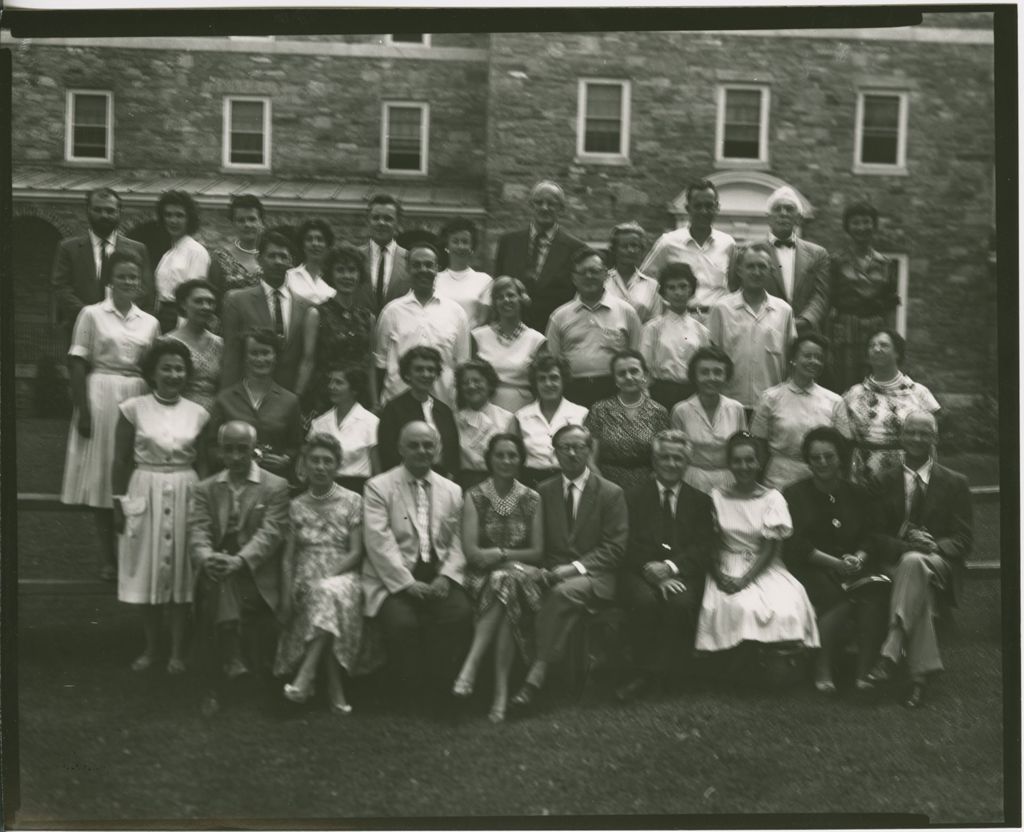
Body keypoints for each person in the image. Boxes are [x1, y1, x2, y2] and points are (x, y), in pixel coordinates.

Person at [508, 425, 628, 717]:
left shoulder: (611, 493)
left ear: (589, 451)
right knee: (515, 587)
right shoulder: (543, 491)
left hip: (595, 576)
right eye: (565, 447)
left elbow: (614, 549)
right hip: (551, 572)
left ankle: (535, 676)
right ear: (555, 452)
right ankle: (507, 676)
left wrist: (570, 570)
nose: (572, 453)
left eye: (579, 447)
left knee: (563, 593)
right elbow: (535, 541)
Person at [111, 338, 209, 673]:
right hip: (145, 488)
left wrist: (204, 509)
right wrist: (119, 505)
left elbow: (205, 466)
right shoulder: (132, 408)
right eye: (166, 368)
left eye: (179, 368)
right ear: (152, 372)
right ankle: (152, 649)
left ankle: (177, 653)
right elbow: (120, 460)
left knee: (181, 572)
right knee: (150, 571)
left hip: (186, 489)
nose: (173, 374)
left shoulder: (199, 414)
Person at [861, 412, 972, 709]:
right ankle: (918, 680)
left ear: (934, 438)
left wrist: (936, 544)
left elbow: (964, 539)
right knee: (912, 566)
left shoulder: (955, 482)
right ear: (901, 436)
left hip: (938, 561)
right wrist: (906, 544)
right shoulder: (882, 481)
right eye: (911, 432)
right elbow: (873, 535)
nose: (917, 439)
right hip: (898, 560)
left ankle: (889, 651)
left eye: (925, 433)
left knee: (915, 564)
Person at [60, 251, 160, 580]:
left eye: (134, 277)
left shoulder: (150, 322)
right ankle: (108, 559)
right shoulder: (91, 314)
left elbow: (154, 367)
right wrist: (82, 410)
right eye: (122, 276)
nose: (129, 282)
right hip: (101, 395)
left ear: (141, 283)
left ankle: (131, 555)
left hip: (138, 395)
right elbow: (77, 362)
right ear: (110, 280)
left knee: (134, 476)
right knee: (104, 479)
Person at [361, 422, 473, 705]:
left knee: (457, 614)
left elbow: (459, 542)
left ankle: (441, 690)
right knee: (402, 623)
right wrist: (407, 584)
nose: (422, 451)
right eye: (414, 445)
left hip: (438, 573)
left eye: (428, 445)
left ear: (437, 449)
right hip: (395, 575)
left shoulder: (452, 490)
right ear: (400, 449)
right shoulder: (378, 487)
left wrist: (446, 577)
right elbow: (378, 542)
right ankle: (409, 694)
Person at [188, 420, 290, 717]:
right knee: (220, 584)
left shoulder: (275, 486)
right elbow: (198, 531)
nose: (235, 457)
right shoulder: (205, 489)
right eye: (228, 450)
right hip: (217, 568)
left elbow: (270, 535)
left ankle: (216, 684)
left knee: (218, 592)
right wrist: (208, 558)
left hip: (255, 575)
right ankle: (233, 662)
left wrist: (239, 560)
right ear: (220, 451)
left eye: (242, 450)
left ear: (253, 450)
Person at [276, 434, 378, 714]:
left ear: (337, 466)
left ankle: (305, 678)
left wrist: (326, 577)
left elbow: (356, 552)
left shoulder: (353, 501)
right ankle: (335, 689)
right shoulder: (295, 505)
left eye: (327, 461)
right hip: (304, 575)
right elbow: (288, 557)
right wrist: (285, 597)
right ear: (304, 465)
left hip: (343, 574)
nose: (320, 467)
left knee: (327, 592)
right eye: (315, 461)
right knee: (323, 598)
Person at [695, 432, 820, 657]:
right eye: (737, 461)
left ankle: (770, 658)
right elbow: (711, 543)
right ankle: (740, 659)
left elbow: (770, 548)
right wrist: (718, 575)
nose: (744, 466)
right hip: (726, 562)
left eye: (749, 460)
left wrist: (746, 579)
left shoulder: (772, 498)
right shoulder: (716, 496)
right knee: (740, 605)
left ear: (759, 462)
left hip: (764, 563)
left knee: (786, 606)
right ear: (729, 464)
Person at [783, 427, 888, 694]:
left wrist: (860, 557)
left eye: (828, 456)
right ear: (807, 460)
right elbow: (795, 544)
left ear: (840, 458)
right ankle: (822, 666)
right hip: (812, 566)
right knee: (836, 598)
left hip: (854, 564)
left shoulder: (858, 494)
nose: (822, 463)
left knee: (873, 593)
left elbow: (871, 535)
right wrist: (835, 564)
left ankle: (863, 670)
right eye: (815, 457)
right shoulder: (794, 494)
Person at [615, 430, 714, 702]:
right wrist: (653, 572)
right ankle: (645, 674)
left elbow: (704, 547)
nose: (671, 464)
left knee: (680, 602)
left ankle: (665, 675)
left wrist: (670, 568)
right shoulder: (631, 497)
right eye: (665, 457)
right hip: (638, 571)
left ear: (686, 463)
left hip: (680, 572)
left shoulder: (701, 501)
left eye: (678, 458)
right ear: (654, 461)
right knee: (644, 601)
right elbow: (624, 541)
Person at [452, 434, 545, 722]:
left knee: (505, 582)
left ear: (521, 460)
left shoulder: (531, 498)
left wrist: (500, 554)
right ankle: (501, 693)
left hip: (520, 575)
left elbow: (537, 551)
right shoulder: (475, 495)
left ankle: (471, 665)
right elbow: (472, 553)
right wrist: (503, 558)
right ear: (489, 459)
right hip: (480, 578)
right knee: (504, 587)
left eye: (512, 456)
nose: (506, 461)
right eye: (500, 455)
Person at [834, 329, 940, 487]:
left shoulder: (918, 393)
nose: (876, 349)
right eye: (871, 345)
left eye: (884, 345)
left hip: (907, 470)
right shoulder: (853, 394)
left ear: (897, 353)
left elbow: (931, 441)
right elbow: (842, 440)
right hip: (863, 471)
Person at [220, 230, 318, 397]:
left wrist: (297, 398)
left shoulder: (306, 307)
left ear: (291, 262)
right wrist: (227, 399)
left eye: (283, 256)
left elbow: (307, 359)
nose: (277, 261)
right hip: (248, 393)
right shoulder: (237, 300)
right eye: (271, 256)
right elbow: (231, 355)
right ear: (259, 259)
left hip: (289, 396)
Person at [374, 242, 471, 407]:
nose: (423, 270)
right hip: (397, 404)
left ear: (437, 269)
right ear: (407, 269)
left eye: (428, 265)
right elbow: (379, 364)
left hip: (442, 404)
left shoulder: (456, 313)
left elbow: (462, 365)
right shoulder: (391, 312)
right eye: (416, 265)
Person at [546, 246, 642, 408]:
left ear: (605, 274)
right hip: (572, 392)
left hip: (615, 390)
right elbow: (552, 361)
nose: (589, 276)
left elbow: (637, 357)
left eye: (594, 271)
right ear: (574, 278)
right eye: (582, 272)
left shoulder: (626, 312)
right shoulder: (559, 316)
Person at [708, 243, 797, 416]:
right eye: (750, 266)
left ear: (771, 271)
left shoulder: (784, 311)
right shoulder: (721, 309)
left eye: (762, 267)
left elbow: (790, 360)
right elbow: (712, 356)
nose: (756, 272)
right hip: (730, 403)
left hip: (772, 405)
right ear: (739, 270)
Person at [728, 185, 830, 336]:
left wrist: (804, 321)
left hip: (805, 333)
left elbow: (821, 296)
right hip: (761, 329)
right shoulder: (749, 251)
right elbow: (736, 289)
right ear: (768, 216)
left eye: (789, 209)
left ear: (799, 217)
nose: (783, 213)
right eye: (777, 209)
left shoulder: (818, 254)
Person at [51, 187, 154, 331]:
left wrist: (118, 316)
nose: (104, 215)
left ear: (119, 213)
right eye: (98, 210)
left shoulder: (138, 249)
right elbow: (61, 288)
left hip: (125, 329)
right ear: (88, 211)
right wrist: (91, 317)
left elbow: (144, 289)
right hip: (82, 328)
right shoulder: (68, 248)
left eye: (110, 211)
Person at [209, 329, 304, 481]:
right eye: (254, 353)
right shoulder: (224, 399)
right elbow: (212, 447)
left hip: (274, 483)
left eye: (266, 353)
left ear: (275, 357)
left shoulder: (290, 401)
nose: (260, 359)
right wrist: (232, 458)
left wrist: (286, 459)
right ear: (245, 358)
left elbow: (296, 446)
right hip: (233, 482)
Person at [751, 333, 842, 490]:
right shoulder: (771, 398)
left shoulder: (834, 401)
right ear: (793, 359)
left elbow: (840, 447)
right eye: (808, 356)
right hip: (779, 479)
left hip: (820, 479)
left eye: (819, 357)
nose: (814, 361)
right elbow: (758, 445)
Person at [826, 202, 901, 393]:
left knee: (876, 385)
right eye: (856, 223)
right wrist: (827, 341)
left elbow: (891, 304)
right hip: (845, 332)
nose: (861, 227)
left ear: (874, 226)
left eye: (867, 222)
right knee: (845, 387)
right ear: (847, 227)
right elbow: (828, 303)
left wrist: (891, 340)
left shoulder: (886, 264)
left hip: (876, 330)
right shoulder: (835, 261)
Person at [638, 179, 735, 325]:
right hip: (678, 318)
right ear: (688, 208)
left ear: (717, 207)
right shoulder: (668, 242)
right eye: (698, 206)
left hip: (717, 320)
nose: (704, 211)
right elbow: (645, 280)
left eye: (709, 206)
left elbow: (734, 285)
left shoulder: (727, 243)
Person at [493, 180, 586, 331]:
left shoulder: (575, 249)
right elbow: (497, 288)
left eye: (551, 203)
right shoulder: (508, 243)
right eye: (539, 202)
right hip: (511, 330)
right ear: (531, 205)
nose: (544, 208)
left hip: (555, 331)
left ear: (561, 208)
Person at [585, 349, 670, 491]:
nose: (629, 377)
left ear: (645, 375)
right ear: (615, 380)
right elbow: (590, 456)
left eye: (634, 371)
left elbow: (664, 455)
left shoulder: (658, 411)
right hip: (606, 483)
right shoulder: (600, 409)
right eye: (621, 373)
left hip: (647, 485)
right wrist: (601, 484)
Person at [308, 244, 378, 415]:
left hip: (359, 397)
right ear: (331, 275)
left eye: (352, 270)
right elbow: (307, 361)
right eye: (340, 270)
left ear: (359, 274)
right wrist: (296, 398)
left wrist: (375, 402)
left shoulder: (368, 318)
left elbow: (370, 364)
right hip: (327, 395)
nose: (347, 276)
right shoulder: (316, 314)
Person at [670, 347, 747, 494]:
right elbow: (676, 453)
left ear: (726, 376)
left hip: (728, 479)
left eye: (718, 372)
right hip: (692, 480)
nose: (711, 378)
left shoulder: (736, 409)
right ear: (695, 376)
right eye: (704, 372)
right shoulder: (681, 410)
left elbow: (741, 450)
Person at [377, 346, 461, 478]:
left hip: (442, 482)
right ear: (407, 374)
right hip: (405, 480)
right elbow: (388, 454)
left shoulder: (444, 411)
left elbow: (453, 454)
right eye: (419, 369)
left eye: (431, 370)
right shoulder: (393, 409)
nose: (426, 374)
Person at [640, 262, 712, 411]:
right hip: (661, 393)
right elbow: (644, 367)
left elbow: (705, 366)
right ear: (664, 293)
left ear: (691, 289)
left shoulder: (701, 330)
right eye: (671, 288)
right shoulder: (652, 328)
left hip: (692, 394)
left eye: (683, 286)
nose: (678, 293)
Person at [471, 276, 547, 412]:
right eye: (500, 297)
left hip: (523, 409)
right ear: (494, 302)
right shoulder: (478, 337)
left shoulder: (536, 340)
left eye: (511, 295)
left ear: (522, 299)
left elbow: (541, 385)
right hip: (485, 409)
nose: (506, 300)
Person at [514, 353, 589, 488]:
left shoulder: (581, 414)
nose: (548, 384)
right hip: (531, 482)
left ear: (563, 380)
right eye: (542, 379)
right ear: (535, 383)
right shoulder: (522, 416)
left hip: (570, 482)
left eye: (554, 378)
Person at [307, 367, 380, 494]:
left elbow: (377, 471)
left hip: (358, 490)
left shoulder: (371, 422)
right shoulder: (319, 423)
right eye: (330, 382)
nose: (331, 387)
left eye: (338, 382)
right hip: (324, 488)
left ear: (354, 389)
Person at [153, 190, 211, 333]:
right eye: (168, 215)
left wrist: (184, 331)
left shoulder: (196, 252)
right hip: (162, 317)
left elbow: (195, 296)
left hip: (181, 319)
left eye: (180, 215)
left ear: (189, 219)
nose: (173, 221)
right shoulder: (168, 254)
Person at [454, 359, 515, 490]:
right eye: (465, 383)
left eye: (477, 381)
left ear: (489, 384)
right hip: (463, 483)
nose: (471, 386)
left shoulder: (507, 418)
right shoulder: (454, 419)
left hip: (498, 482)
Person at [167, 279, 223, 411]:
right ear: (183, 304)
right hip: (177, 413)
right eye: (199, 301)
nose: (206, 307)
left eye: (210, 302)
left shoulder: (221, 344)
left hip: (213, 415)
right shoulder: (167, 342)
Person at [435, 217, 493, 328]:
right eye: (455, 241)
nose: (460, 246)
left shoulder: (484, 280)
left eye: (465, 242)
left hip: (471, 340)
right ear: (447, 246)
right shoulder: (435, 279)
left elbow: (483, 320)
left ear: (472, 247)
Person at [603, 221, 662, 323]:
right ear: (614, 250)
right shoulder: (602, 281)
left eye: (635, 246)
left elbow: (656, 323)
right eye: (624, 246)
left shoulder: (652, 286)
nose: (631, 250)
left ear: (642, 250)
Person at [360, 194, 410, 312]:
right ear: (368, 221)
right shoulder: (356, 257)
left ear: (398, 223)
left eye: (388, 218)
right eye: (376, 218)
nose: (381, 223)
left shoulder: (410, 259)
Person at [208, 194, 266, 295]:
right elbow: (213, 295)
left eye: (252, 219)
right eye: (240, 220)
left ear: (261, 222)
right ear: (233, 224)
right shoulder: (220, 257)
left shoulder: (272, 255)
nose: (247, 225)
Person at [285, 218, 336, 305]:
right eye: (309, 239)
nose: (315, 244)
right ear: (302, 246)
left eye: (320, 239)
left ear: (327, 246)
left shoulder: (334, 279)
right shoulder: (289, 276)